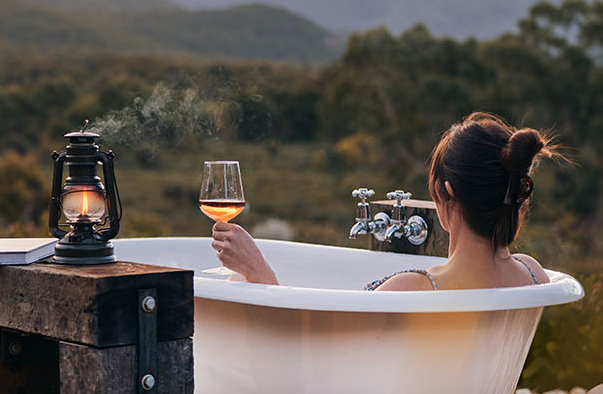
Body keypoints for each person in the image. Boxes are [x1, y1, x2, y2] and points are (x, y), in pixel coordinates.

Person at [212, 112, 555, 290]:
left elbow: (311, 359)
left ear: (447, 194)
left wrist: (258, 272)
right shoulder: (533, 274)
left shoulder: (413, 289)